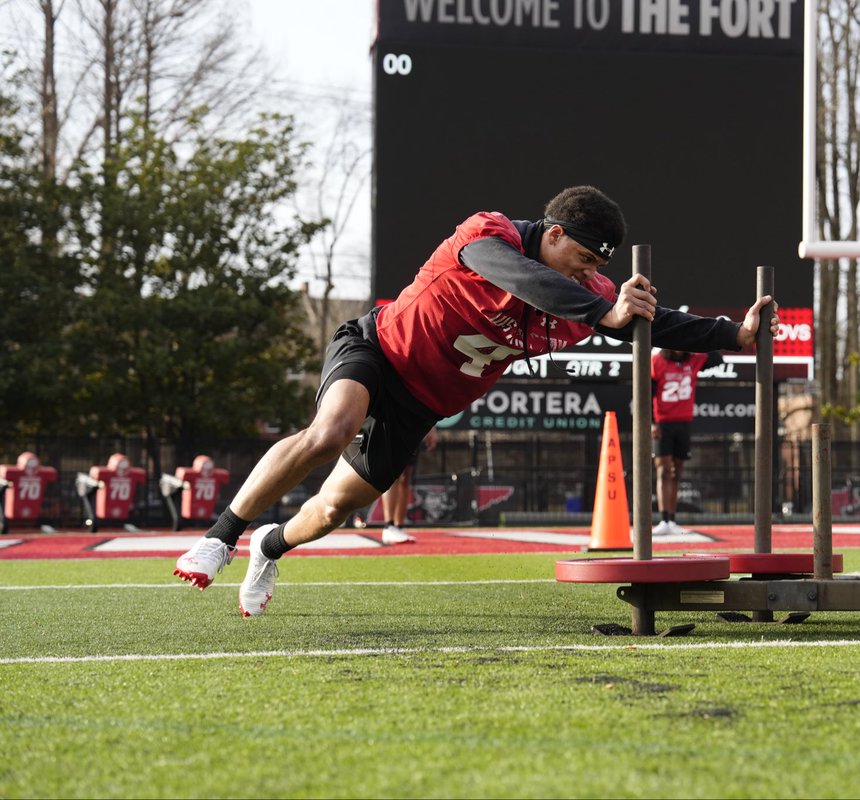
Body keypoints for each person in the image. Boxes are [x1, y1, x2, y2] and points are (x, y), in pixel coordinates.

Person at [172, 185, 779, 617]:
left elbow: (660, 322)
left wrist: (736, 335)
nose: (586, 275)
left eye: (598, 270)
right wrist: (601, 309)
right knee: (330, 431)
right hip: (378, 350)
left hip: (422, 404)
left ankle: (269, 545)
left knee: (332, 511)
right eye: (583, 259)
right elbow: (519, 278)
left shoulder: (586, 291)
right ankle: (222, 536)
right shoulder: (488, 233)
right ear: (556, 233)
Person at [650, 349, 723, 535]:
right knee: (663, 470)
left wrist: (696, 341)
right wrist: (651, 422)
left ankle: (672, 519)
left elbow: (717, 358)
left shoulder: (693, 360)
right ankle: (663, 519)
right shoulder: (656, 361)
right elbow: (646, 392)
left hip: (683, 422)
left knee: (677, 471)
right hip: (662, 422)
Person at [379, 429, 438, 544]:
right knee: (393, 474)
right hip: (393, 426)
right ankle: (389, 526)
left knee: (406, 478)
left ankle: (399, 526)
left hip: (412, 428)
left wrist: (431, 429)